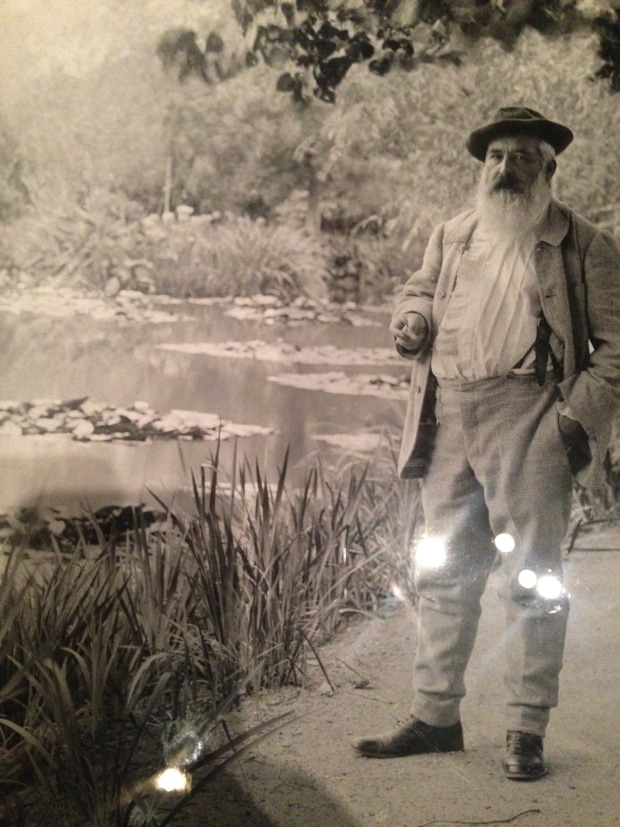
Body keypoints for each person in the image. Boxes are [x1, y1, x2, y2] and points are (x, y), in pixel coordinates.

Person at [352, 106, 620, 780]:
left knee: (535, 576)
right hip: (450, 417)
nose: (505, 169)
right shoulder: (453, 234)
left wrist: (570, 420)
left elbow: (618, 350)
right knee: (443, 568)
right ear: (482, 166)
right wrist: (411, 319)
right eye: (496, 156)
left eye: (522, 157)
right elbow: (418, 291)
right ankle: (436, 716)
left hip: (531, 416)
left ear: (548, 169)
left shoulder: (584, 244)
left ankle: (527, 727)